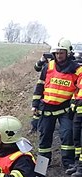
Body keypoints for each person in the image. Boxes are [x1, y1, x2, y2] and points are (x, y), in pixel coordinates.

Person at [31, 38, 82, 170]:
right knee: (44, 136)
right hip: (47, 108)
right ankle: (43, 163)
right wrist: (35, 104)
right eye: (57, 53)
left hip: (65, 109)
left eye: (62, 53)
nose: (59, 55)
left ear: (68, 53)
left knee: (67, 135)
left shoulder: (76, 69)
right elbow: (40, 85)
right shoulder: (49, 66)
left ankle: (68, 162)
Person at [67, 73, 82, 177]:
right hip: (78, 113)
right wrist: (73, 104)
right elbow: (76, 90)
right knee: (76, 140)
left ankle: (81, 168)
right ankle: (77, 164)